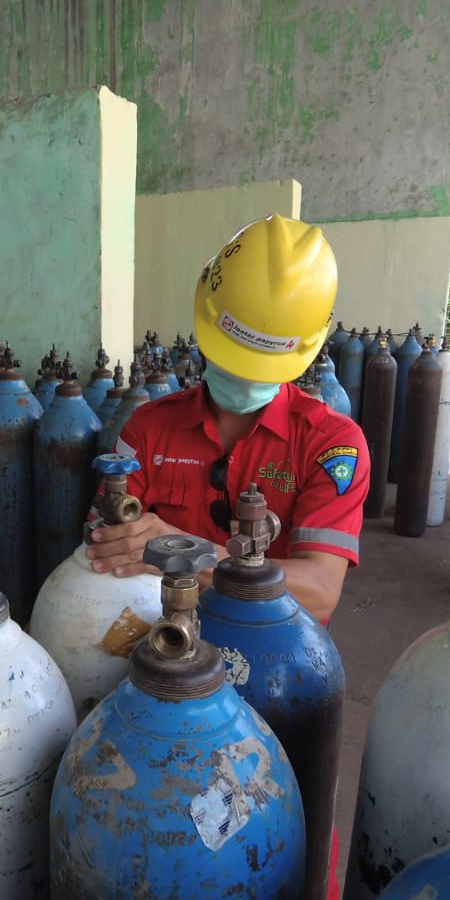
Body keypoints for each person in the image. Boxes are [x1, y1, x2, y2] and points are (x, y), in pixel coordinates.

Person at [85, 215, 369, 624]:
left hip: (273, 653)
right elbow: (105, 546)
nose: (243, 373)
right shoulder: (148, 428)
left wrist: (188, 554)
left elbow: (321, 593)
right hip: (158, 637)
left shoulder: (331, 444)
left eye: (262, 364)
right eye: (232, 352)